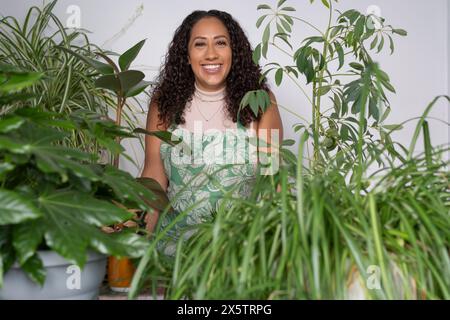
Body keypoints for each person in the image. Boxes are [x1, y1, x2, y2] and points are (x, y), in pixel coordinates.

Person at [141, 9, 283, 255]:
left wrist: (274, 252)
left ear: (234, 52)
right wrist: (134, 245)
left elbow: (273, 182)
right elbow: (153, 178)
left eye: (220, 43)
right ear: (186, 55)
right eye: (199, 44)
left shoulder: (260, 101)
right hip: (173, 249)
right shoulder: (164, 103)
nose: (211, 54)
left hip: (240, 249)